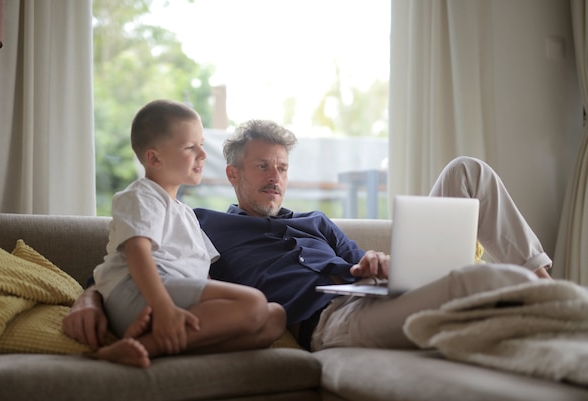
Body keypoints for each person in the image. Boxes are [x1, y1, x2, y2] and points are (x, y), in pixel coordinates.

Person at [64, 119, 552, 353]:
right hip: (331, 321)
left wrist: (377, 262)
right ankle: (547, 303)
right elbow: (126, 262)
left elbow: (368, 262)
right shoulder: (202, 224)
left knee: (468, 171)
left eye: (281, 167)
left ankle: (546, 281)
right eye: (261, 167)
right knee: (482, 283)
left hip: (383, 293)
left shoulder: (318, 222)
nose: (274, 177)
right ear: (233, 175)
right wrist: (87, 302)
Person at [84, 103, 286, 368]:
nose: (203, 154)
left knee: (275, 317)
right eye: (191, 147)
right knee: (254, 302)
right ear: (154, 159)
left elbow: (204, 274)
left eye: (201, 144)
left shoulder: (186, 214)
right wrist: (164, 308)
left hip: (177, 298)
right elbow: (138, 253)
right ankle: (144, 346)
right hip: (141, 295)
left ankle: (175, 343)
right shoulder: (141, 196)